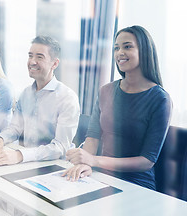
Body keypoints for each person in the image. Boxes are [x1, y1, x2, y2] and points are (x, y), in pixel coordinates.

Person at [63, 25, 172, 190]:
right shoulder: (106, 91)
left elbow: (146, 161)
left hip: (136, 183)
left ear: (144, 50)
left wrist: (94, 160)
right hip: (101, 175)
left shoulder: (160, 99)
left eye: (127, 46)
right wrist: (86, 163)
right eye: (116, 48)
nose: (120, 52)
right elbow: (92, 137)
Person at [0, 36, 80, 166]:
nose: (32, 61)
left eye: (39, 57)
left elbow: (60, 147)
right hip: (27, 162)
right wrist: (1, 138)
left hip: (56, 167)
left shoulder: (67, 98)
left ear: (55, 63)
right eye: (30, 56)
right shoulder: (25, 94)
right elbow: (15, 128)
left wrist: (20, 155)